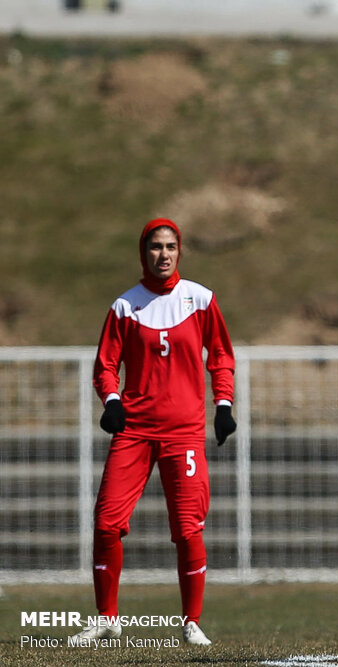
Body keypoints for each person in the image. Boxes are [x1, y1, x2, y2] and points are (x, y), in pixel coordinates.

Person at [70, 218, 237, 647]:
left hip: (183, 433)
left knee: (187, 529)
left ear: (179, 251)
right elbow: (106, 365)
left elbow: (220, 355)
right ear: (142, 253)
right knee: (106, 523)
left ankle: (191, 622)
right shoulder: (125, 306)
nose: (163, 255)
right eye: (155, 247)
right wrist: (111, 402)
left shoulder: (200, 299)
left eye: (170, 247)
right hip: (135, 432)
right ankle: (107, 618)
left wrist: (223, 405)